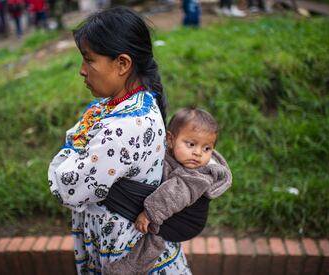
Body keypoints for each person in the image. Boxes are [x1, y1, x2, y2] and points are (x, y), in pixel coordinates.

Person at [48, 7, 193, 274]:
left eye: (89, 60)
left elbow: (66, 187)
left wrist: (69, 150)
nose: (82, 70)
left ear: (123, 64)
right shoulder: (117, 105)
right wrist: (77, 148)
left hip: (128, 258)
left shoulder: (124, 126)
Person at [102, 107, 232, 274]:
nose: (198, 153)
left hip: (186, 223)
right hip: (175, 208)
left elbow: (175, 192)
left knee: (154, 236)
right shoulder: (171, 152)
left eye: (207, 148)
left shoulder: (201, 174)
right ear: (170, 140)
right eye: (191, 144)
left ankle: (128, 269)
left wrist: (149, 213)